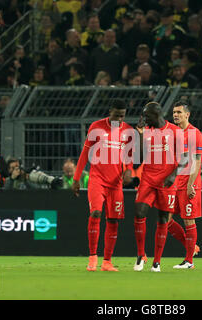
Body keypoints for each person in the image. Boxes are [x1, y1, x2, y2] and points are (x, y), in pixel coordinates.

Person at [72, 99, 133, 272]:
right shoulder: (96, 127)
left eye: (122, 116)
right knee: (96, 213)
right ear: (109, 111)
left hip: (116, 183)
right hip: (97, 179)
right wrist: (76, 179)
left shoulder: (128, 131)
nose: (119, 119)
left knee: (113, 220)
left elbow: (129, 158)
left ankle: (107, 261)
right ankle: (92, 257)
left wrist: (129, 170)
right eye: (116, 115)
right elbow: (85, 154)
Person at [133, 101, 184, 272]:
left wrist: (173, 175)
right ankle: (141, 255)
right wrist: (139, 134)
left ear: (157, 114)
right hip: (148, 178)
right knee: (139, 212)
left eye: (147, 116)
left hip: (166, 182)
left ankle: (157, 262)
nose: (144, 119)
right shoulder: (146, 131)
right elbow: (138, 158)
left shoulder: (176, 131)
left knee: (163, 219)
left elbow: (183, 158)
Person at [167, 101, 202, 269]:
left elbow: (197, 162)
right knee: (166, 220)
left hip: (190, 182)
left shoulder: (195, 134)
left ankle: (189, 261)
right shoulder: (173, 133)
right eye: (174, 112)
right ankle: (192, 247)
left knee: (189, 220)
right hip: (176, 182)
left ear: (187, 115)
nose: (176, 115)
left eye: (179, 112)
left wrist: (191, 184)